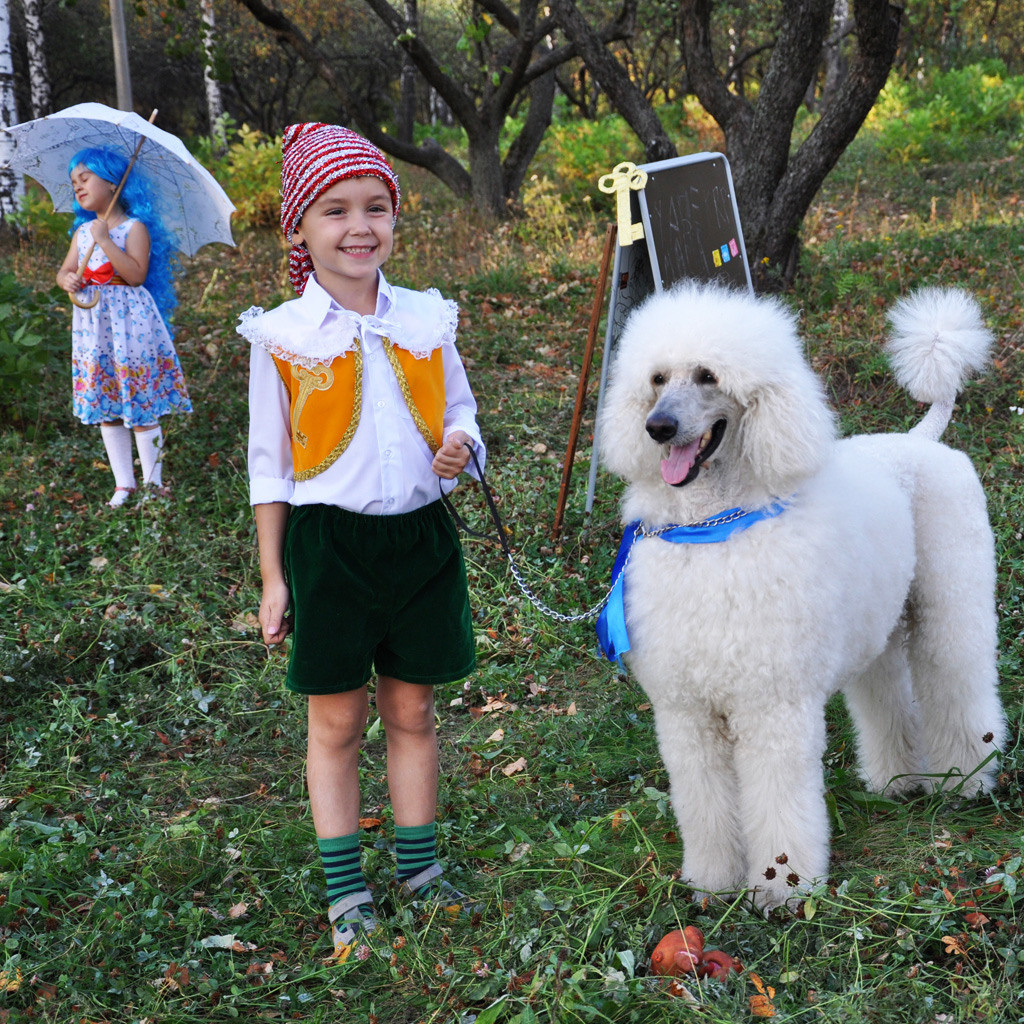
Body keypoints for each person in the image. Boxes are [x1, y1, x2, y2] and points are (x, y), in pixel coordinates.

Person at [238, 123, 486, 964]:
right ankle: (347, 889)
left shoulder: (427, 318)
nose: (359, 226)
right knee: (337, 722)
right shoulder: (281, 336)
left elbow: (461, 413)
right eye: (335, 209)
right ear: (300, 230)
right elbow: (270, 468)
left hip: (420, 545)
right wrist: (275, 578)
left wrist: (461, 447)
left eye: (376, 207)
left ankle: (419, 870)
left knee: (413, 709)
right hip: (328, 548)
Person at [56, 147, 191, 508]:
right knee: (107, 403)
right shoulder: (82, 232)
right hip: (95, 328)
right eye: (74, 183)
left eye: (85, 179)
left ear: (112, 182)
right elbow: (66, 270)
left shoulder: (134, 228)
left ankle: (153, 484)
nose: (78, 188)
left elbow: (134, 275)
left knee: (140, 399)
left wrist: (105, 240)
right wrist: (67, 280)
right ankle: (124, 485)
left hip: (130, 325)